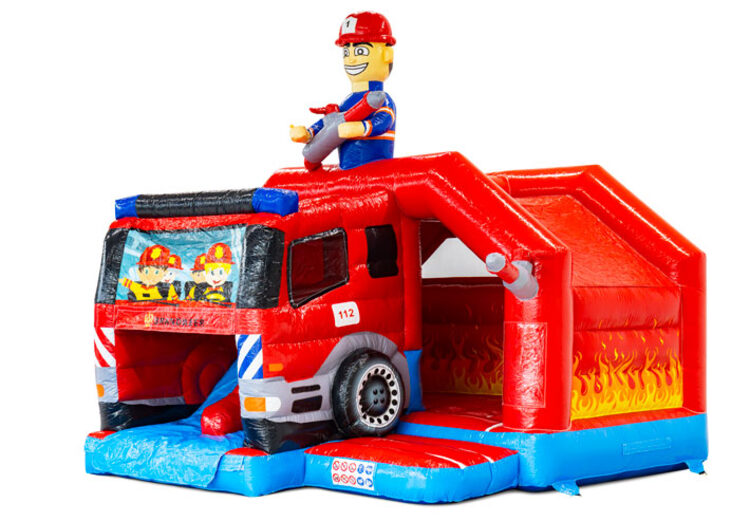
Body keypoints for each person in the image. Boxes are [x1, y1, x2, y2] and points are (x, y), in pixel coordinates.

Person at [290, 12, 396, 170]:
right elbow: (329, 124)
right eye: (346, 53)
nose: (351, 59)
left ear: (387, 55)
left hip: (375, 166)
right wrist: (308, 133)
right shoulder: (347, 102)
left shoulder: (382, 99)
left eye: (360, 52)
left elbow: (384, 121)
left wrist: (360, 128)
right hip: (347, 169)